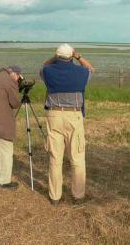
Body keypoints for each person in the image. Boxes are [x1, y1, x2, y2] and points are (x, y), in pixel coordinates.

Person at [40, 43, 94, 205]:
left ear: (57, 56)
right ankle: (78, 196)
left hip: (54, 115)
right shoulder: (82, 72)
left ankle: (55, 196)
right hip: (74, 116)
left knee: (55, 158)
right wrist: (78, 56)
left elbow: (43, 65)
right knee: (77, 157)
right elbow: (91, 68)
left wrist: (55, 58)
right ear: (71, 57)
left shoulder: (48, 71)